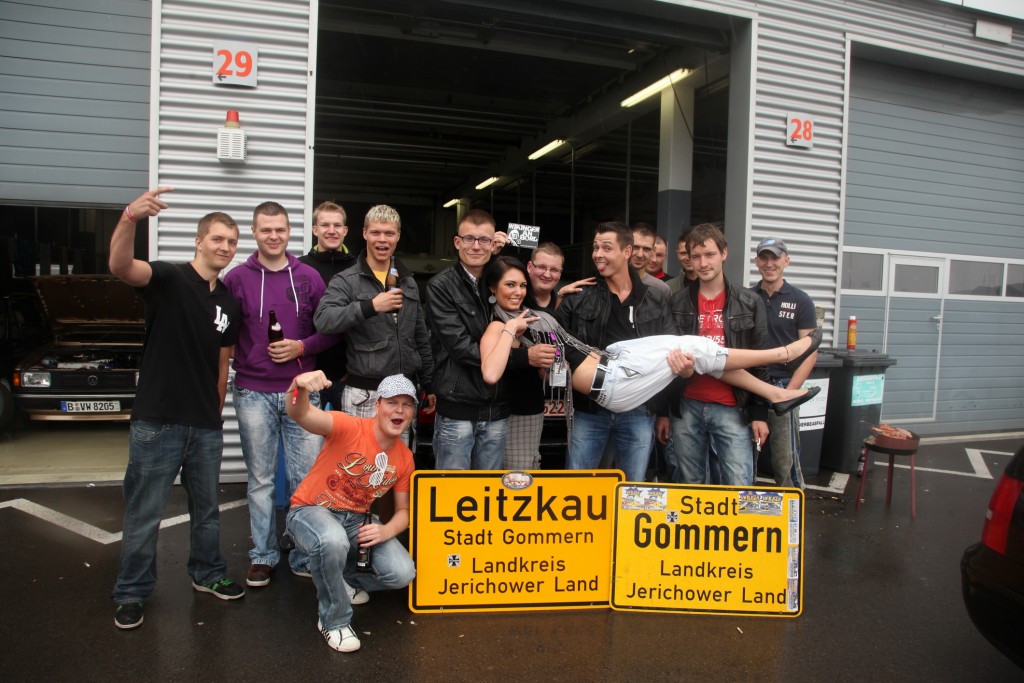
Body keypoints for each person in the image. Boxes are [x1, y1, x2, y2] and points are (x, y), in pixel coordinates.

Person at [109, 187, 244, 630]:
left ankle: (208, 574)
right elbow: (120, 267)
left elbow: (222, 364)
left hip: (204, 425)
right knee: (144, 513)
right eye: (217, 238)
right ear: (199, 241)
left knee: (207, 511)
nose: (225, 247)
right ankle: (131, 591)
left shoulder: (228, 302)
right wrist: (130, 217)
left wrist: (214, 413)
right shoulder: (167, 278)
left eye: (231, 241)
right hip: (157, 422)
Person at [484, 258, 820, 418]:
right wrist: (514, 337)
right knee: (692, 346)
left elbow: (559, 336)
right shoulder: (501, 325)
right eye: (510, 285)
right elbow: (492, 370)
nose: (518, 291)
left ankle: (775, 393)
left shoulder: (531, 313)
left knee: (699, 355)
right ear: (492, 289)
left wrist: (558, 296)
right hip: (611, 384)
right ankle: (783, 354)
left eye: (522, 285)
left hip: (612, 362)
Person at [224, 201, 338, 588]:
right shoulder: (237, 279)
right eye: (266, 230)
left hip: (300, 392)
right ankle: (263, 555)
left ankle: (304, 553)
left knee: (305, 478)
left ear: (290, 232)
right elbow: (223, 334)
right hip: (252, 391)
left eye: (280, 230)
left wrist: (302, 347)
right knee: (260, 480)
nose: (273, 236)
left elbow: (330, 330)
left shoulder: (308, 277)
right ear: (254, 232)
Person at [285, 372, 417, 654]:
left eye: (407, 405)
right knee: (332, 540)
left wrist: (387, 530)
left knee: (403, 573)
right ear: (377, 405)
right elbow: (300, 413)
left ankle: (342, 579)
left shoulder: (405, 457)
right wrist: (298, 387)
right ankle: (333, 621)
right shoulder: (349, 426)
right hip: (311, 510)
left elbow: (404, 511)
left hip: (356, 519)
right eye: (392, 402)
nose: (399, 410)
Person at [426, 209, 553, 469]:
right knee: (453, 488)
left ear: (493, 242)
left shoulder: (498, 280)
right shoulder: (441, 286)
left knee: (489, 488)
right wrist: (524, 357)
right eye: (469, 239)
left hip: (498, 408)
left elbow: (528, 289)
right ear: (457, 242)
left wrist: (561, 296)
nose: (476, 246)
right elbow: (461, 348)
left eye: (483, 239)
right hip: (458, 408)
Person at [555, 221, 679, 482]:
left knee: (631, 489)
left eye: (606, 248)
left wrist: (663, 411)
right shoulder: (578, 297)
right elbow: (557, 344)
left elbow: (669, 354)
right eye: (595, 247)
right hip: (590, 410)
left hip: (639, 411)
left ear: (626, 252)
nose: (598, 254)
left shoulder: (655, 299)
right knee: (577, 486)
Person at [659, 223, 773, 486]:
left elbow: (760, 360)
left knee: (739, 485)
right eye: (696, 256)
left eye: (709, 254)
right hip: (687, 405)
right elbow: (667, 360)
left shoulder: (749, 302)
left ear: (724, 253)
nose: (703, 263)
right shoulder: (677, 302)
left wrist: (760, 413)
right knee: (691, 485)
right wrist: (664, 411)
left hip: (733, 406)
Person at [313, 204, 435, 430]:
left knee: (399, 455)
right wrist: (371, 306)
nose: (382, 239)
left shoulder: (408, 281)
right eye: (376, 232)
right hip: (365, 393)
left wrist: (429, 383)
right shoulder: (346, 280)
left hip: (404, 392)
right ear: (364, 233)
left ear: (398, 236)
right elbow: (324, 319)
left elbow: (420, 337)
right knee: (360, 454)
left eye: (389, 233)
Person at [753, 237, 819, 489]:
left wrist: (789, 394)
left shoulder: (801, 300)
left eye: (775, 257)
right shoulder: (747, 297)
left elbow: (810, 351)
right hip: (751, 386)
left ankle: (793, 506)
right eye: (764, 258)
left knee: (785, 459)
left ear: (786, 261)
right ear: (756, 261)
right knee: (746, 455)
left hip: (783, 384)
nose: (769, 263)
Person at [299, 200, 357, 410]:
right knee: (307, 432)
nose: (332, 231)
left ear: (345, 230)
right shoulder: (300, 267)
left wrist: (355, 368)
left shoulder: (358, 268)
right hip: (309, 375)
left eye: (337, 225)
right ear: (315, 229)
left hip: (349, 375)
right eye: (325, 225)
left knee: (348, 432)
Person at [630, 223, 671, 296]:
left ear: (653, 251)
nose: (640, 255)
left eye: (646, 249)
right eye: (635, 247)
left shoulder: (661, 289)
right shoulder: (610, 282)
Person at [668, 229, 699, 295]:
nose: (688, 257)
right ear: (678, 254)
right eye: (683, 253)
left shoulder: (713, 285)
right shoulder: (669, 287)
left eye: (692, 253)